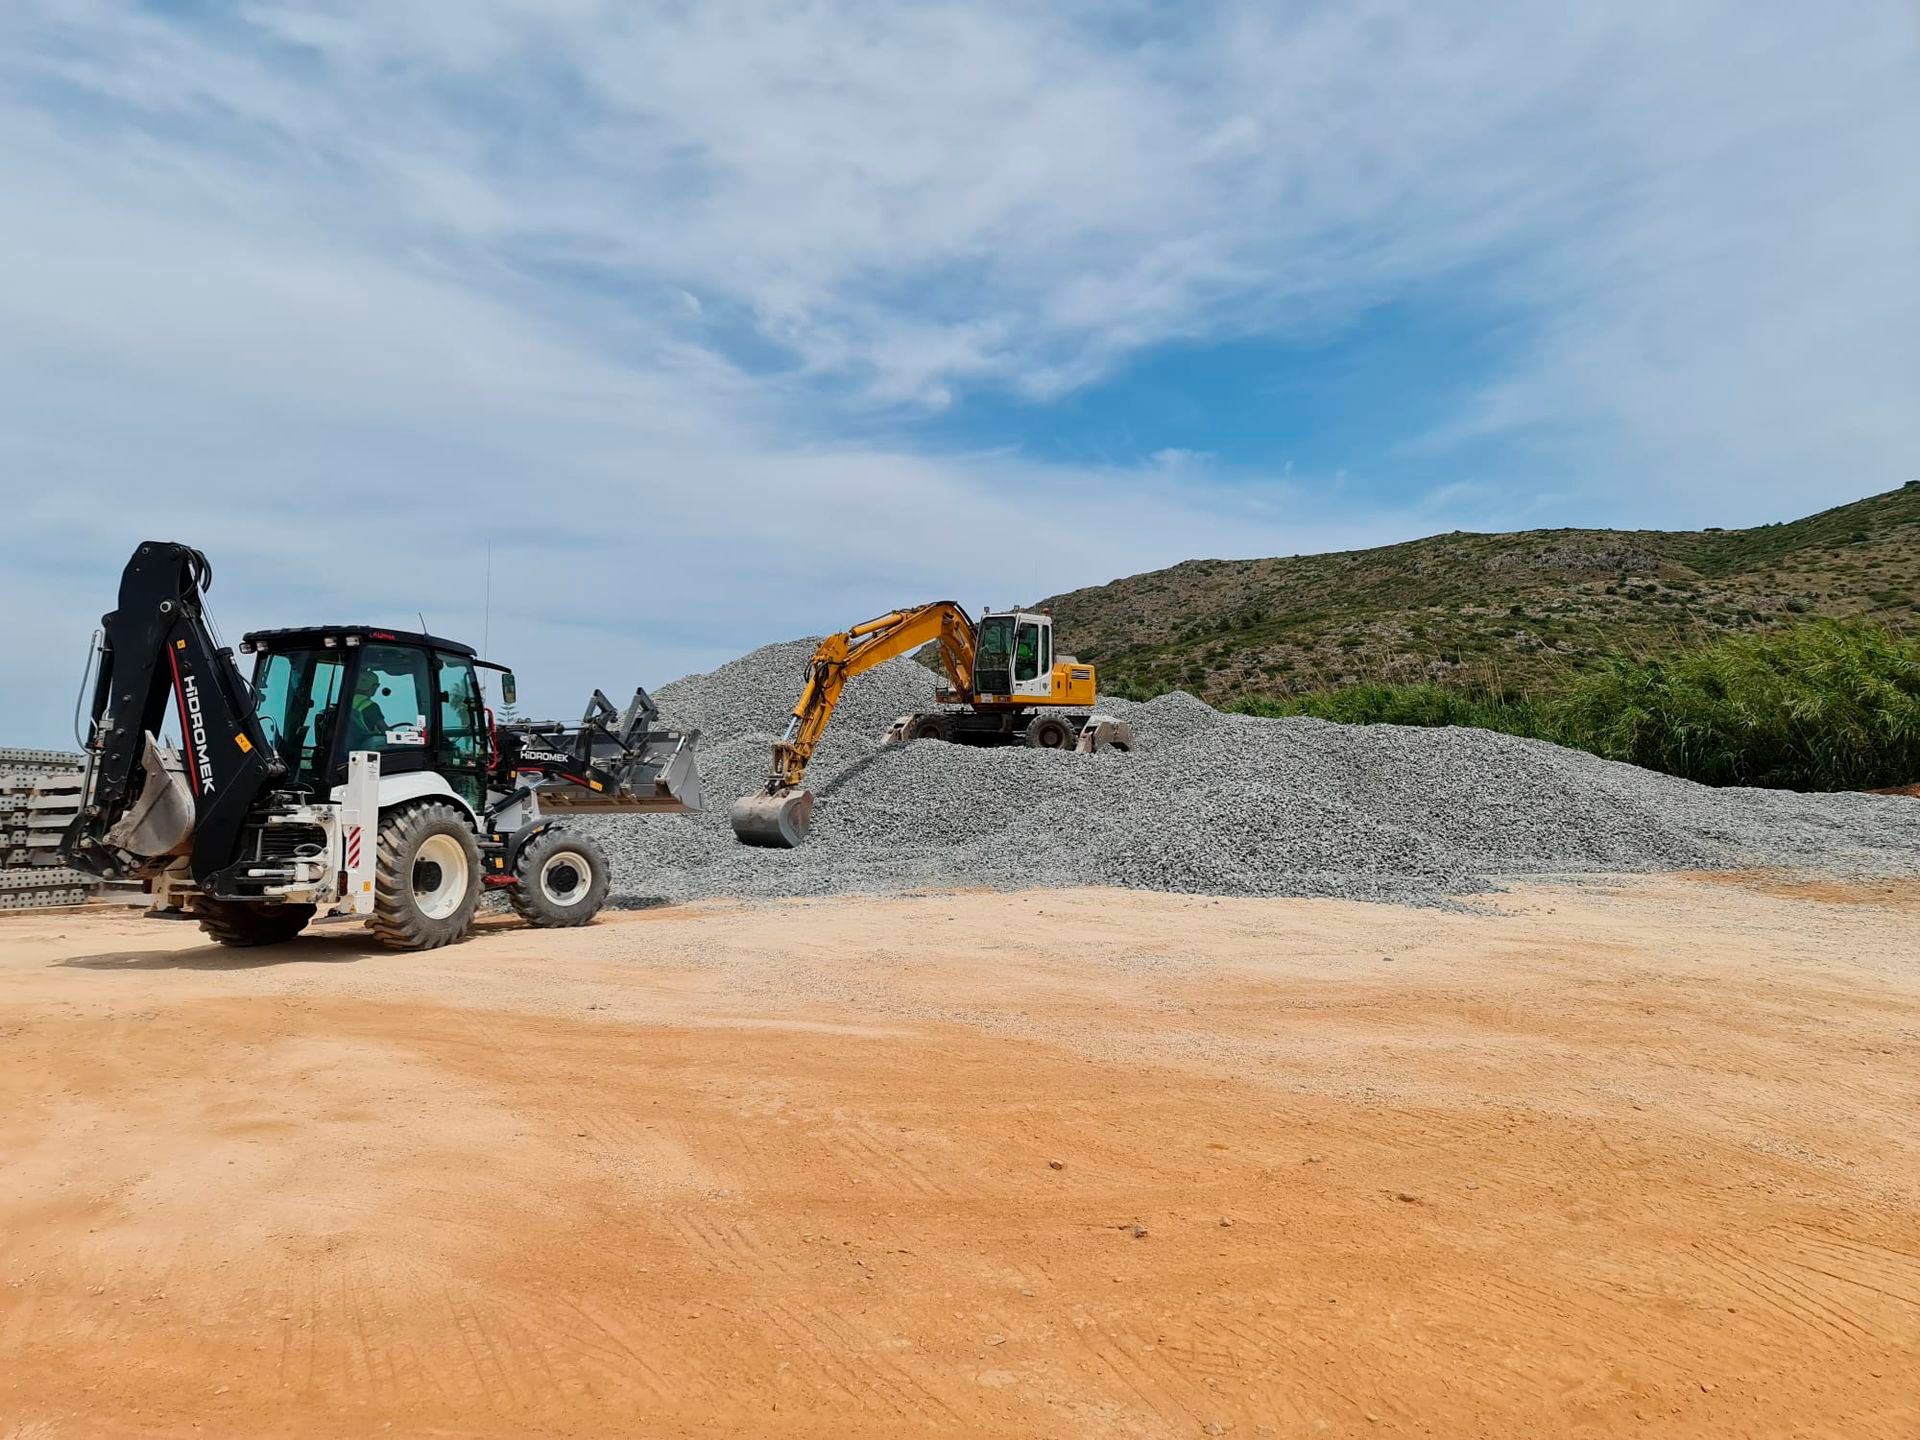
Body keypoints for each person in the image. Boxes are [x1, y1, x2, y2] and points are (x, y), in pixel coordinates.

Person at [341, 668, 391, 752]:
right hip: (362, 749)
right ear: (373, 686)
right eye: (376, 686)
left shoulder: (346, 701)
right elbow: (383, 729)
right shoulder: (370, 706)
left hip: (345, 748)